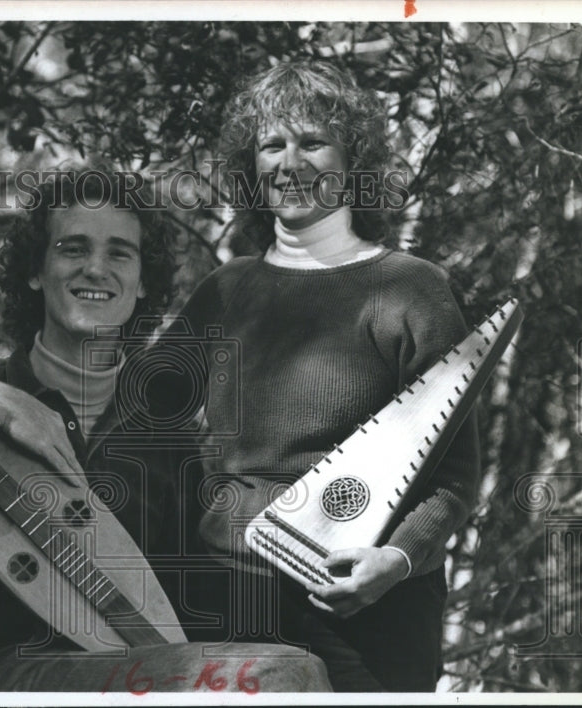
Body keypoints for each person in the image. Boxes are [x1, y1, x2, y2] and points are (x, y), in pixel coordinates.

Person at [0, 169, 331, 693]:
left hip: (148, 667)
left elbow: (198, 598)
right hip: (17, 675)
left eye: (120, 253)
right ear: (36, 270)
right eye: (73, 248)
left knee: (304, 667)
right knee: (289, 677)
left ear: (143, 281)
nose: (96, 269)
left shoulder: (164, 434)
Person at [158, 60, 482, 692]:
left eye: (312, 141)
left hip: (377, 607)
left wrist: (396, 558)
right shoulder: (227, 292)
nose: (290, 162)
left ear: (352, 159)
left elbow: (454, 476)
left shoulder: (413, 288)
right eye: (272, 144)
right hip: (237, 595)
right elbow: (137, 417)